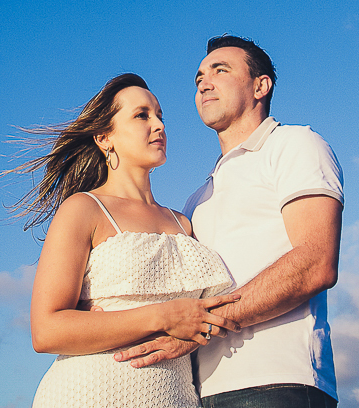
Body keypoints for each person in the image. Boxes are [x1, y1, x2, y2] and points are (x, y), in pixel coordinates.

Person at [116, 37, 344, 408]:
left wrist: (201, 327)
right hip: (198, 393)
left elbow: (316, 263)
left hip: (279, 382)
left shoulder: (294, 144)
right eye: (199, 77)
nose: (204, 82)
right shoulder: (196, 200)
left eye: (220, 70)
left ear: (260, 85)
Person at [8, 73, 241, 408]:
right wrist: (162, 317)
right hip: (90, 393)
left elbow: (210, 316)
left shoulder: (184, 223)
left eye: (160, 115)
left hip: (175, 396)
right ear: (105, 137)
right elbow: (46, 331)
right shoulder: (83, 209)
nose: (158, 125)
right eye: (141, 115)